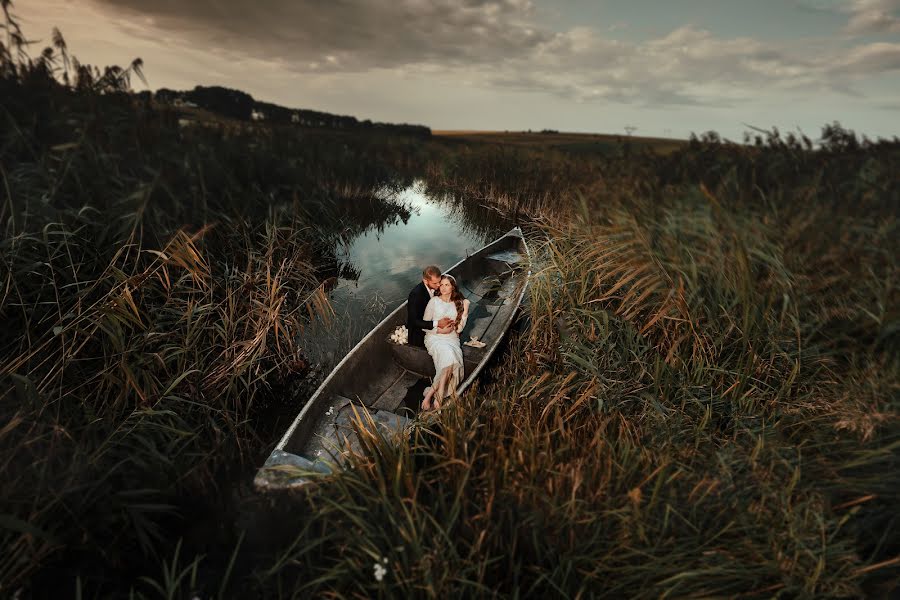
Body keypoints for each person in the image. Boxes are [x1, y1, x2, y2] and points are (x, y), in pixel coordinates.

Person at [422, 274, 470, 411]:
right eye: (441, 284)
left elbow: (459, 329)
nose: (443, 288)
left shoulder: (458, 303)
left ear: (452, 287)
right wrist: (440, 331)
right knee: (450, 356)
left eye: (447, 285)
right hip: (434, 337)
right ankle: (438, 395)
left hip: (452, 339)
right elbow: (425, 326)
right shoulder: (434, 301)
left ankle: (431, 395)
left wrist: (465, 311)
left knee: (450, 358)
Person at [407, 265, 453, 348]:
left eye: (439, 281)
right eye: (435, 283)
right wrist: (438, 323)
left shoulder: (437, 286)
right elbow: (414, 321)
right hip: (420, 334)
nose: (439, 285)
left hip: (436, 322)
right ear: (425, 281)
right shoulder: (416, 295)